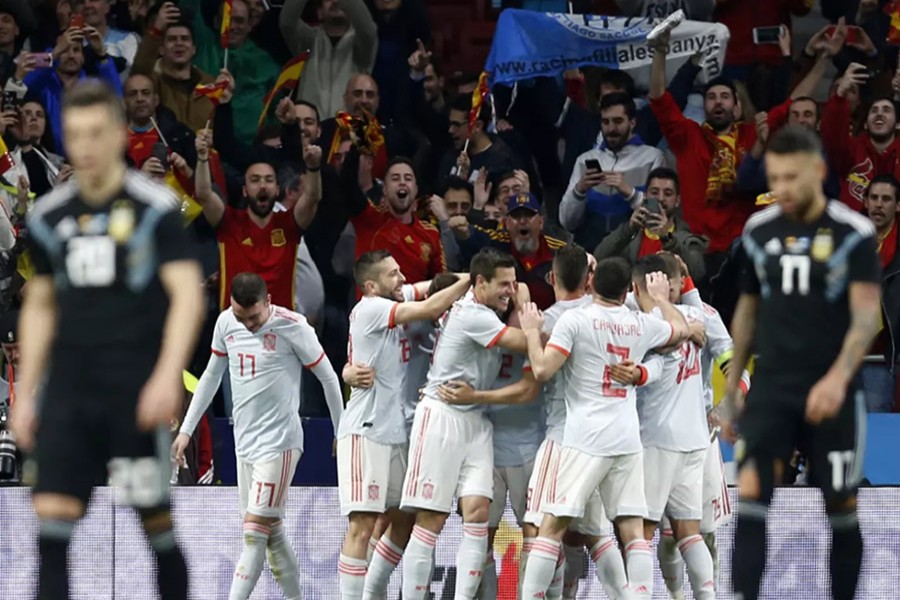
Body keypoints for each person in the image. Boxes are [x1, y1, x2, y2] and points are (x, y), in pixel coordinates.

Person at [9, 80, 203, 600]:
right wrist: (25, 391)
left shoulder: (156, 208)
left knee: (157, 531)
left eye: (96, 133)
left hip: (134, 393)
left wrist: (167, 377)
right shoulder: (50, 215)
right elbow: (41, 304)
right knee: (51, 534)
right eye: (74, 135)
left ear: (119, 133)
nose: (86, 147)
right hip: (68, 395)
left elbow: (187, 296)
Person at [722, 126, 882, 600]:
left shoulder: (853, 233)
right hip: (772, 390)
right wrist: (732, 394)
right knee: (750, 504)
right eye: (774, 178)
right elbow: (747, 310)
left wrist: (837, 378)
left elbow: (866, 316)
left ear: (818, 171)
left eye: (792, 178)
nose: (782, 189)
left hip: (834, 393)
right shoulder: (758, 230)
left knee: (842, 509)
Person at [517, 256, 690, 599]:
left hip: (585, 439)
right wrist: (659, 300)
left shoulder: (575, 321)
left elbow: (541, 370)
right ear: (628, 289)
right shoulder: (641, 324)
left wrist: (531, 333)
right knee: (632, 530)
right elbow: (681, 330)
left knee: (550, 527)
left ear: (592, 284)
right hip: (626, 439)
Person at [172, 272, 344, 600]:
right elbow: (211, 374)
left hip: (280, 444)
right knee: (272, 532)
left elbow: (329, 378)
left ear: (268, 302)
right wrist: (186, 429)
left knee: (253, 533)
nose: (248, 324)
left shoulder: (293, 326)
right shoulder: (226, 323)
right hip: (245, 444)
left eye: (254, 317)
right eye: (241, 316)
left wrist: (341, 430)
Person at [336, 250, 470, 600]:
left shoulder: (394, 294)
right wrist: (474, 279)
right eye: (393, 275)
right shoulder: (371, 308)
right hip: (366, 431)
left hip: (399, 433)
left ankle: (374, 592)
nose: (402, 280)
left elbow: (432, 286)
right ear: (371, 285)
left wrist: (470, 274)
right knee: (362, 525)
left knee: (403, 520)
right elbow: (428, 307)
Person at [399, 247, 529, 600]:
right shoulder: (472, 314)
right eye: (504, 284)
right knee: (432, 520)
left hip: (476, 418)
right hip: (441, 415)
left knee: (478, 513)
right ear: (481, 283)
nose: (511, 291)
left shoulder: (485, 307)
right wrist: (531, 312)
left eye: (515, 284)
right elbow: (523, 342)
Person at [193, 128, 322, 310]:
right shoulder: (228, 221)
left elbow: (312, 198)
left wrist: (314, 168)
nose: (262, 185)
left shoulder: (289, 224)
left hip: (279, 328)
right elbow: (204, 194)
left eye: (269, 180)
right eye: (255, 180)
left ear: (277, 190)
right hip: (236, 329)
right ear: (245, 191)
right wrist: (202, 157)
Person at [560, 92, 665, 251]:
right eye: (605, 122)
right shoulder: (585, 160)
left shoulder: (652, 157)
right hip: (590, 249)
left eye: (618, 121)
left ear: (632, 122)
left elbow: (656, 217)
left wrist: (629, 192)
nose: (611, 129)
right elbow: (568, 223)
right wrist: (579, 191)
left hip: (632, 249)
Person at [594, 167, 708, 281]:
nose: (660, 198)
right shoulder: (630, 236)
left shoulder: (688, 240)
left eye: (667, 193)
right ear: (645, 196)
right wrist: (628, 229)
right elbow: (599, 258)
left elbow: (697, 273)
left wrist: (667, 238)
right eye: (654, 192)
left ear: (677, 200)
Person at [862, 175, 900, 413]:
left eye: (886, 199)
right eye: (874, 197)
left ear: (897, 206)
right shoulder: (848, 241)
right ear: (865, 202)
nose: (878, 204)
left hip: (881, 357)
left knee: (874, 421)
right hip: (841, 356)